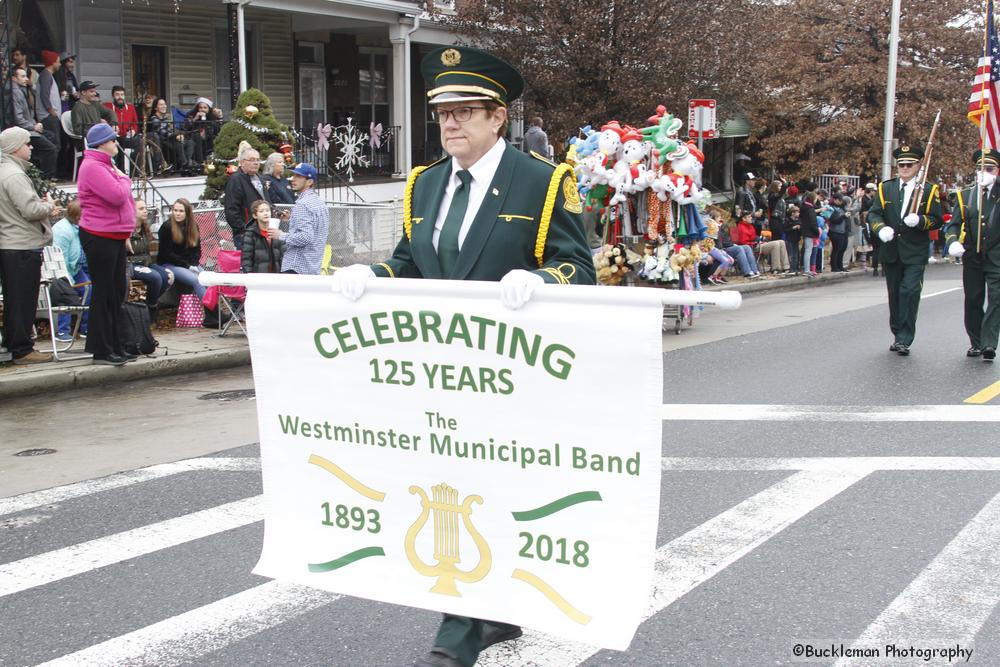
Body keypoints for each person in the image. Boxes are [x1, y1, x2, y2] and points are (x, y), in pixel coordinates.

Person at [330, 46, 595, 667]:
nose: (451, 125)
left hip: (512, 371)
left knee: (483, 488)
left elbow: (576, 268)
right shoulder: (425, 184)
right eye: (444, 114)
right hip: (440, 372)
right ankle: (494, 613)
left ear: (498, 118)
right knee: (452, 484)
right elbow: (412, 263)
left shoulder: (543, 179)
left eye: (466, 113)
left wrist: (542, 281)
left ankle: (455, 639)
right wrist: (373, 275)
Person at [867, 144, 944, 356]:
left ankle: (904, 338)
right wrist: (880, 229)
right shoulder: (886, 188)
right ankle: (897, 332)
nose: (905, 167)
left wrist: (920, 220)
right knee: (894, 295)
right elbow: (874, 214)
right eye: (901, 164)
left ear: (919, 165)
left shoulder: (928, 190)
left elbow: (937, 220)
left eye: (909, 164)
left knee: (909, 291)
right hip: (891, 250)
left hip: (915, 252)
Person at [0, 127, 63, 364]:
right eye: (28, 143)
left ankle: (14, 344)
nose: (32, 147)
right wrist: (48, 206)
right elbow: (29, 210)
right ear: (16, 147)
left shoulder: (6, 171)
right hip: (21, 245)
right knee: (23, 299)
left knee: (16, 298)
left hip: (12, 244)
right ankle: (22, 349)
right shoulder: (14, 175)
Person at [77, 124, 135, 366]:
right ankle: (101, 349)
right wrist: (125, 180)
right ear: (102, 143)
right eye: (113, 140)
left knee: (116, 291)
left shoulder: (106, 165)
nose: (116, 144)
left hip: (114, 235)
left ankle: (116, 344)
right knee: (105, 292)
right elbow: (117, 196)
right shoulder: (92, 166)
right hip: (99, 234)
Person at [944, 149, 1000, 360]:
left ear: (996, 170)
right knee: (974, 298)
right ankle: (976, 342)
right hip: (973, 256)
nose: (983, 172)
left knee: (996, 298)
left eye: (989, 168)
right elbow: (953, 225)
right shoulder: (965, 195)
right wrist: (953, 241)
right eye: (980, 168)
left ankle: (989, 343)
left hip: (997, 255)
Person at [270, 162, 328, 274]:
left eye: (298, 176)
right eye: (294, 175)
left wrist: (280, 235)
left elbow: (306, 237)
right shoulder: (320, 202)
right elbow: (315, 228)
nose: (293, 179)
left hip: (297, 265)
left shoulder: (302, 204)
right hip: (313, 265)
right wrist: (291, 220)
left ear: (310, 182)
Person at [10, 67, 59, 179]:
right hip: (24, 131)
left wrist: (36, 125)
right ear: (14, 78)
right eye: (22, 76)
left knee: (50, 136)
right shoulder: (16, 93)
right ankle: (46, 178)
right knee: (51, 148)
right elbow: (19, 119)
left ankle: (38, 170)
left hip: (30, 127)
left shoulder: (23, 90)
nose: (26, 79)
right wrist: (34, 126)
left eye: (26, 76)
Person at [51, 199, 90, 341]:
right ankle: (62, 331)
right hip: (61, 271)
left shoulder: (78, 227)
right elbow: (60, 259)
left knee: (89, 289)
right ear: (78, 217)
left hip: (76, 268)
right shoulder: (62, 231)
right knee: (66, 292)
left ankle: (86, 329)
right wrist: (69, 280)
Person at [128, 198, 173, 319]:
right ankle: (151, 309)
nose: (145, 211)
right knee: (155, 277)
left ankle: (148, 302)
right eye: (141, 209)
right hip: (131, 265)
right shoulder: (127, 230)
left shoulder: (144, 229)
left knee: (168, 276)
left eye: (145, 208)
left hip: (146, 264)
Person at [224, 145, 271, 249]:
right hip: (246, 235)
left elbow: (266, 202)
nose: (256, 163)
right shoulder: (235, 180)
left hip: (263, 231)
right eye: (252, 160)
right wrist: (244, 230)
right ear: (243, 162)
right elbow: (231, 210)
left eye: (258, 160)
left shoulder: (260, 178)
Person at [103, 85, 142, 173]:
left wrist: (133, 130)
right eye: (117, 94)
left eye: (122, 94)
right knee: (120, 142)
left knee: (139, 141)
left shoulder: (131, 108)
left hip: (127, 137)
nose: (120, 97)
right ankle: (121, 171)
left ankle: (135, 172)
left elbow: (135, 123)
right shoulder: (107, 107)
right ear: (113, 96)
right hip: (113, 137)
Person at [242, 199, 286, 273]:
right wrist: (248, 275)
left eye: (267, 210)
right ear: (255, 215)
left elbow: (284, 256)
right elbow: (247, 258)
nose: (265, 213)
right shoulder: (250, 234)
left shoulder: (277, 232)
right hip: (258, 277)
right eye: (261, 211)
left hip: (277, 276)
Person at [35, 51, 62, 164]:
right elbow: (44, 96)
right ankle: (50, 174)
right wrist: (51, 111)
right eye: (58, 61)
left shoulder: (48, 75)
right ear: (53, 62)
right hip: (48, 117)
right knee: (54, 145)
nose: (60, 64)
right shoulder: (46, 75)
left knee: (55, 145)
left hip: (50, 117)